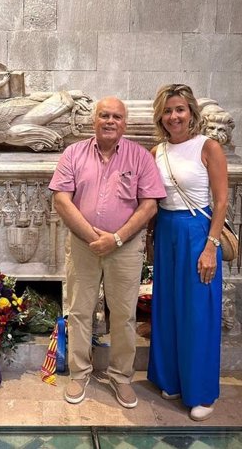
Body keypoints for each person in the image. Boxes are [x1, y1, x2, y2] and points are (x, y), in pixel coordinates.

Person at [49, 96, 165, 408]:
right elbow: (61, 200)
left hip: (125, 250)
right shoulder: (73, 153)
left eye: (116, 116)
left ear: (124, 124)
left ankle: (121, 377)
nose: (110, 121)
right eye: (104, 115)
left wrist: (115, 239)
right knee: (79, 311)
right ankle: (79, 373)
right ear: (94, 121)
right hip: (83, 247)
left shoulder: (140, 158)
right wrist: (93, 238)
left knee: (125, 316)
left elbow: (150, 205)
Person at [147, 84, 228, 421]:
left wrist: (211, 246)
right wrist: (150, 238)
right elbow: (151, 198)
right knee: (167, 307)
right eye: (168, 110)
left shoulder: (208, 147)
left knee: (198, 312)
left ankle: (201, 390)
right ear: (160, 116)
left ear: (191, 112)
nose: (174, 116)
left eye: (179, 109)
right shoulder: (157, 152)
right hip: (166, 230)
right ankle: (171, 379)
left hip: (198, 233)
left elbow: (221, 201)